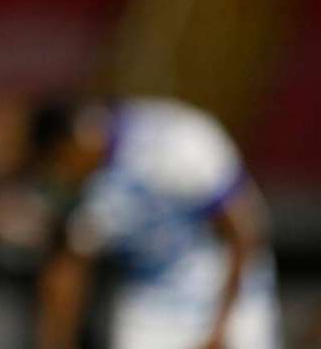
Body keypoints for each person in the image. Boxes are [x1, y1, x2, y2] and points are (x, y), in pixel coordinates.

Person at [27, 96, 281, 349]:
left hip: (228, 295)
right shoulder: (82, 187)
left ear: (76, 141)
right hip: (151, 309)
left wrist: (221, 327)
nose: (61, 176)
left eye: (59, 164)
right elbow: (68, 270)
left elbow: (243, 231)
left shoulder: (175, 140)